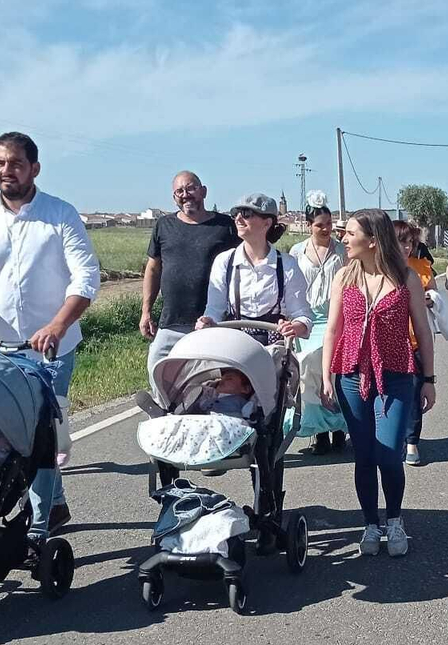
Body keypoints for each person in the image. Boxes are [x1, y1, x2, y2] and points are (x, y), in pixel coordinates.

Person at [0, 131, 100, 539]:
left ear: (34, 168)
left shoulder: (60, 214)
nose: (6, 171)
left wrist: (57, 325)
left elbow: (86, 277)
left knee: (41, 434)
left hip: (51, 351)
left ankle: (38, 524)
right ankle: (52, 502)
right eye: (0, 163)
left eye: (15, 163)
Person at [320, 209, 437, 558]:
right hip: (351, 375)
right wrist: (326, 376)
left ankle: (395, 519)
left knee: (389, 455)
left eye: (350, 233)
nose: (344, 238)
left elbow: (423, 332)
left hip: (396, 375)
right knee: (365, 456)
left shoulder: (405, 278)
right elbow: (332, 329)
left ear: (372, 240)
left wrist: (428, 379)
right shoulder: (344, 277)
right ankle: (371, 523)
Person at [140, 171, 239, 375]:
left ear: (203, 191)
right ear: (174, 197)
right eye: (179, 191)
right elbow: (153, 269)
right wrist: (146, 311)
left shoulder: (225, 226)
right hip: (171, 321)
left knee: (209, 379)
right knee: (158, 373)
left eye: (191, 188)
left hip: (213, 323)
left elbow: (244, 264)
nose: (185, 195)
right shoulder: (164, 225)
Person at [197, 193, 311, 338]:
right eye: (235, 214)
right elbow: (214, 310)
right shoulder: (225, 261)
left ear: (267, 223)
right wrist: (207, 322)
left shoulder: (287, 264)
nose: (238, 219)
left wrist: (295, 327)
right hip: (234, 345)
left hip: (274, 349)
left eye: (246, 214)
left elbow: (302, 315)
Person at [290, 195, 349, 454]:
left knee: (335, 373)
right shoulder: (297, 251)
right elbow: (291, 286)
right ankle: (319, 431)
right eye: (319, 225)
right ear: (309, 225)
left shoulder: (342, 251)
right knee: (307, 371)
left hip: (335, 317)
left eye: (328, 224)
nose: (325, 229)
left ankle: (340, 428)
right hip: (308, 319)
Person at [395, 220, 436, 466]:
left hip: (414, 341)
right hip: (387, 345)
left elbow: (433, 291)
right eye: (401, 241)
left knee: (413, 393)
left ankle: (412, 441)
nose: (406, 247)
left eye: (410, 242)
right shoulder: (374, 270)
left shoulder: (420, 267)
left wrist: (430, 298)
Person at [189, 368, 258, 421]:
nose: (222, 380)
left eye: (229, 378)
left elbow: (249, 417)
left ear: (246, 389)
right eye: (222, 378)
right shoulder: (210, 395)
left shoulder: (241, 402)